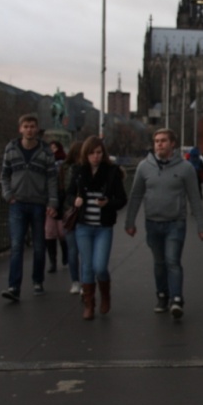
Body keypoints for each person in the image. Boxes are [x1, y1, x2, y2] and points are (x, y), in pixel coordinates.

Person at [125, 128, 203, 319]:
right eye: (156, 141)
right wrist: (130, 222)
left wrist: (201, 225)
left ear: (172, 144)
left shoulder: (185, 168)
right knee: (159, 263)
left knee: (172, 261)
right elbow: (136, 195)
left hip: (175, 222)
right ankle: (162, 295)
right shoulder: (144, 167)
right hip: (152, 222)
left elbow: (194, 198)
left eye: (163, 141)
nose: (159, 144)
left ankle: (176, 299)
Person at [0, 114, 58, 301]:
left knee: (39, 245)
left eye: (32, 126)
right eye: (26, 126)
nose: (29, 130)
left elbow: (52, 178)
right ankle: (14, 287)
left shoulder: (45, 151)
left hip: (38, 203)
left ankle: (37, 281)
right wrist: (8, 194)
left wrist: (52, 202)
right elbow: (4, 174)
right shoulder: (11, 148)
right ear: (20, 129)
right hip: (17, 203)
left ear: (37, 129)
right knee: (17, 245)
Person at [68, 136, 127, 320]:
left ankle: (105, 295)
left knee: (100, 266)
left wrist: (108, 202)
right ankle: (89, 304)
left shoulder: (112, 172)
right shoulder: (78, 171)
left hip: (103, 227)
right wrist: (75, 200)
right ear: (85, 154)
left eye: (99, 153)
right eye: (92, 153)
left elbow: (122, 199)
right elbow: (68, 194)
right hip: (83, 226)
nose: (96, 156)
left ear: (103, 154)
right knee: (87, 266)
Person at [60, 141, 83, 294]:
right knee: (76, 250)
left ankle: (77, 282)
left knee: (74, 250)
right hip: (73, 212)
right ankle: (78, 281)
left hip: (70, 213)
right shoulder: (71, 170)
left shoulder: (65, 168)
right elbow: (66, 191)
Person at [45, 141, 68, 273]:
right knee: (50, 233)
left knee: (61, 232)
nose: (52, 150)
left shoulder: (64, 164)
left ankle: (65, 254)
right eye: (51, 148)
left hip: (61, 200)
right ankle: (52, 261)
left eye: (54, 148)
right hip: (48, 201)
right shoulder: (46, 163)